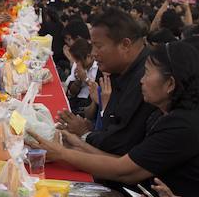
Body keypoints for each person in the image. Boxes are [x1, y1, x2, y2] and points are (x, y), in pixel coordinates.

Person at [34, 41, 199, 197]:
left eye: (147, 74)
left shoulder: (182, 125)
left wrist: (62, 153)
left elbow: (125, 170)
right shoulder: (163, 115)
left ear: (169, 84)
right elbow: (126, 160)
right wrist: (78, 143)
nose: (141, 80)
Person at [56, 8, 158, 157]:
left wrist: (85, 134)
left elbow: (121, 145)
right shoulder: (120, 69)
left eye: (99, 46)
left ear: (125, 45)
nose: (93, 53)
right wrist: (89, 127)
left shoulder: (145, 79)